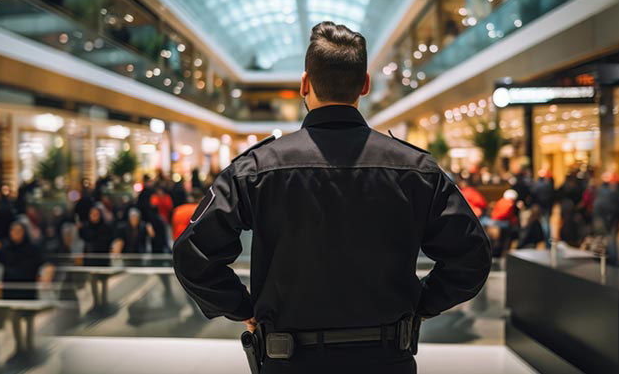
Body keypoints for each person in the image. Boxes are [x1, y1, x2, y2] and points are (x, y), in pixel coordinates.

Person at [173, 21, 491, 374]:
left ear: (305, 84)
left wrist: (243, 307)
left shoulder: (256, 168)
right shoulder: (418, 169)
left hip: (289, 361)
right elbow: (471, 258)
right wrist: (420, 304)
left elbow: (193, 256)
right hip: (387, 360)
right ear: (365, 84)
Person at [0, 222, 45, 357]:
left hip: (27, 287)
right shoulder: (7, 247)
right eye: (13, 231)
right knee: (15, 317)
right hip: (12, 287)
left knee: (28, 317)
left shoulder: (31, 248)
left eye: (18, 231)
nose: (15, 235)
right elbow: (2, 260)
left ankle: (29, 344)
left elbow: (37, 263)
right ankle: (19, 346)